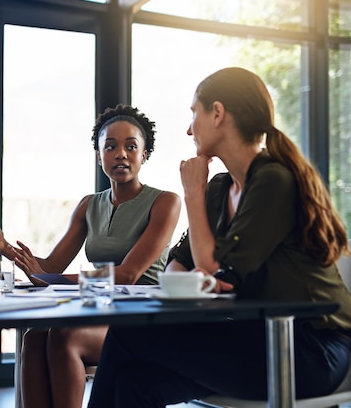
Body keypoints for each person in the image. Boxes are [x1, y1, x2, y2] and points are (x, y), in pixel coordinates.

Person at [87, 67, 351, 408]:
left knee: (127, 333)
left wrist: (192, 195)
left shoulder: (273, 181)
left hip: (311, 349)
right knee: (135, 382)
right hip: (257, 338)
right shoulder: (219, 189)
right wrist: (200, 275)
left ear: (217, 113)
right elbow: (178, 264)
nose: (188, 128)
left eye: (194, 113)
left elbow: (216, 269)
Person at [0, 104, 182, 408]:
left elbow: (127, 275)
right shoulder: (89, 205)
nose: (121, 154)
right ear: (100, 154)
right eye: (110, 146)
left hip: (143, 323)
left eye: (131, 146)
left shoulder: (166, 202)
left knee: (64, 337)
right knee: (34, 338)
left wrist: (52, 280)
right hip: (101, 314)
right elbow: (48, 268)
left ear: (145, 154)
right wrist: (5, 247)